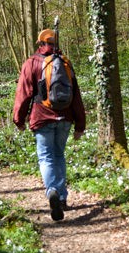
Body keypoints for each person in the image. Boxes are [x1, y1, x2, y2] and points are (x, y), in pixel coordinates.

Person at [13, 28, 86, 221]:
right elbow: (76, 95)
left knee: (46, 158)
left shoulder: (32, 63)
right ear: (56, 44)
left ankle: (52, 190)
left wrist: (18, 119)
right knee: (59, 155)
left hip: (42, 117)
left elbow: (24, 93)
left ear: (39, 44)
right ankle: (61, 198)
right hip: (65, 118)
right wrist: (80, 125)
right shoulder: (65, 63)